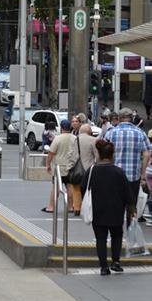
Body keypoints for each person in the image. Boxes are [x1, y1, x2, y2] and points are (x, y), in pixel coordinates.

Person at [81, 140, 134, 275]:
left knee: (101, 238)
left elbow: (83, 188)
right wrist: (131, 208)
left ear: (98, 153)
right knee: (117, 235)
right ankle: (116, 262)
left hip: (97, 210)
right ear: (112, 155)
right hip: (116, 210)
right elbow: (127, 193)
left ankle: (103, 267)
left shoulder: (92, 171)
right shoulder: (119, 172)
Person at [105, 107, 152, 224]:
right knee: (131, 206)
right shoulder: (140, 133)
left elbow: (104, 153)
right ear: (131, 118)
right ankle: (131, 232)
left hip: (114, 176)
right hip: (133, 176)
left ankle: (116, 233)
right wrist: (142, 172)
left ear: (119, 118)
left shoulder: (111, 133)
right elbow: (147, 153)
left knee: (116, 205)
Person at [43, 119, 79, 214]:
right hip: (70, 167)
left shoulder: (57, 138)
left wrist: (47, 164)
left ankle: (51, 207)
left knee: (56, 187)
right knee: (69, 186)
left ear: (61, 127)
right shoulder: (74, 138)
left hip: (58, 167)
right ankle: (71, 206)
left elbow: (51, 153)